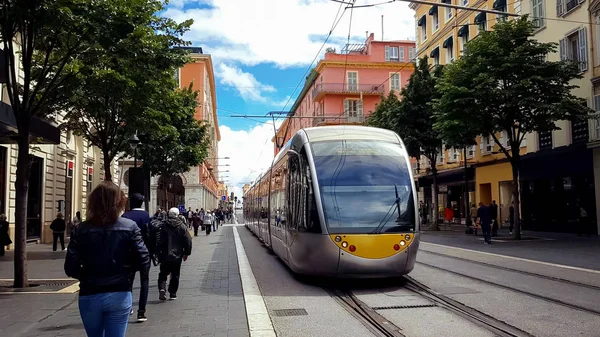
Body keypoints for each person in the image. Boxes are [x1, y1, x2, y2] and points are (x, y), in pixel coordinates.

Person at [64, 181, 149, 337]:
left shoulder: (80, 229)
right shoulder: (130, 227)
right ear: (119, 202)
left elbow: (70, 266)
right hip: (120, 292)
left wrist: (86, 276)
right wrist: (126, 272)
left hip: (90, 293)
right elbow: (143, 259)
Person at [121, 193, 151, 322]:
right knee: (144, 281)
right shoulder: (146, 216)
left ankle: (128, 307)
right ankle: (141, 312)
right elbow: (150, 234)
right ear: (142, 203)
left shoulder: (125, 216)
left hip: (128, 254)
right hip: (144, 253)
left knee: (129, 282)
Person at [157, 208, 192, 301]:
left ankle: (162, 288)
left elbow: (158, 239)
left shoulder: (163, 225)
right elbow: (188, 240)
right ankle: (172, 293)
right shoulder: (182, 226)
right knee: (175, 274)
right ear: (177, 215)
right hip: (177, 255)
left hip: (164, 254)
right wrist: (186, 253)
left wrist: (158, 251)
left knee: (163, 273)